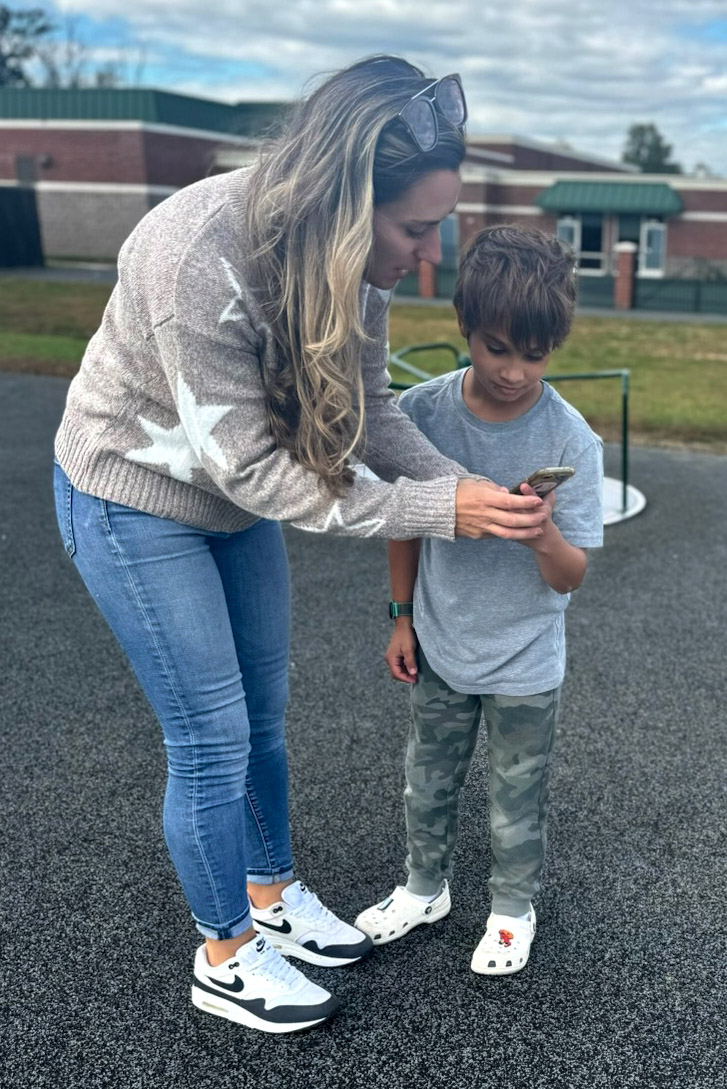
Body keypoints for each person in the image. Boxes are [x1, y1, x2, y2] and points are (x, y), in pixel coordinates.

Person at [52, 57, 548, 1034]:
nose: (426, 250)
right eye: (414, 228)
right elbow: (262, 477)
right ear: (344, 197)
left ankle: (272, 897)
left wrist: (460, 486)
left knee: (264, 724)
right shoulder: (197, 258)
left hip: (228, 509)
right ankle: (225, 953)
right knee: (210, 740)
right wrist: (438, 513)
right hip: (135, 501)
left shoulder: (356, 267)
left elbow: (368, 418)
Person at [355, 224, 604, 976]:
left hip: (525, 657)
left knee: (514, 794)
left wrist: (541, 538)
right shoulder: (422, 414)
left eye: (535, 354)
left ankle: (510, 906)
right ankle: (422, 887)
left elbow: (571, 575)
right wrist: (400, 618)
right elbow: (404, 520)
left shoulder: (572, 437)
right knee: (425, 780)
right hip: (438, 640)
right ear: (465, 326)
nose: (514, 371)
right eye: (497, 347)